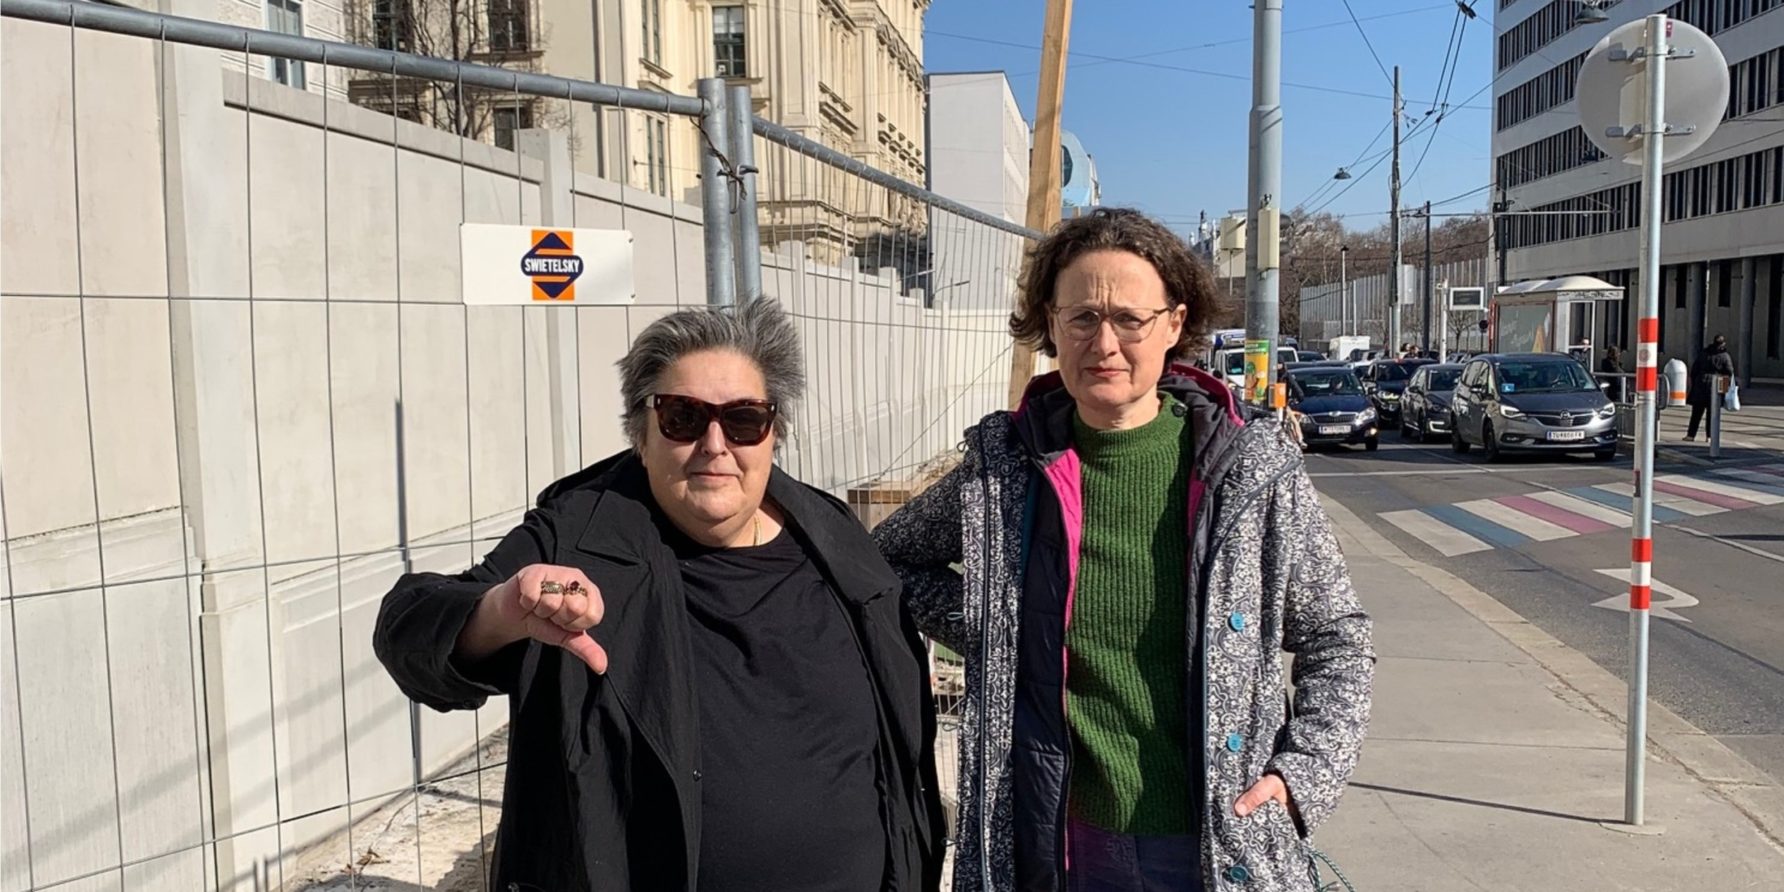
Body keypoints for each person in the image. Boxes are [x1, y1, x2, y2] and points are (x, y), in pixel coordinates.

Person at [873, 208, 1374, 892]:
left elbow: (1336, 637)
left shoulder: (1252, 467)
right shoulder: (1004, 468)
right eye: (1081, 317)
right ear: (1050, 325)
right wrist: (1002, 624)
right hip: (1058, 843)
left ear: (1173, 324)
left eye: (1129, 319)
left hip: (1219, 840)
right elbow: (887, 561)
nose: (1103, 343)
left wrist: (1303, 774)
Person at [373, 299, 944, 891]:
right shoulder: (579, 538)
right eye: (683, 417)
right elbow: (408, 627)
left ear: (773, 434)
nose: (715, 444)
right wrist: (501, 610)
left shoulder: (834, 536)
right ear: (641, 435)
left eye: (743, 418)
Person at [1685, 334, 1737, 441]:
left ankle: (1691, 435)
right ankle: (1709, 436)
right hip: (1716, 386)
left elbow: (1694, 370)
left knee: (1696, 413)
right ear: (1723, 344)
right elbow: (1729, 371)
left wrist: (1695, 382)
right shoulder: (1724, 356)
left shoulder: (1704, 353)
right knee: (1712, 413)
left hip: (1700, 385)